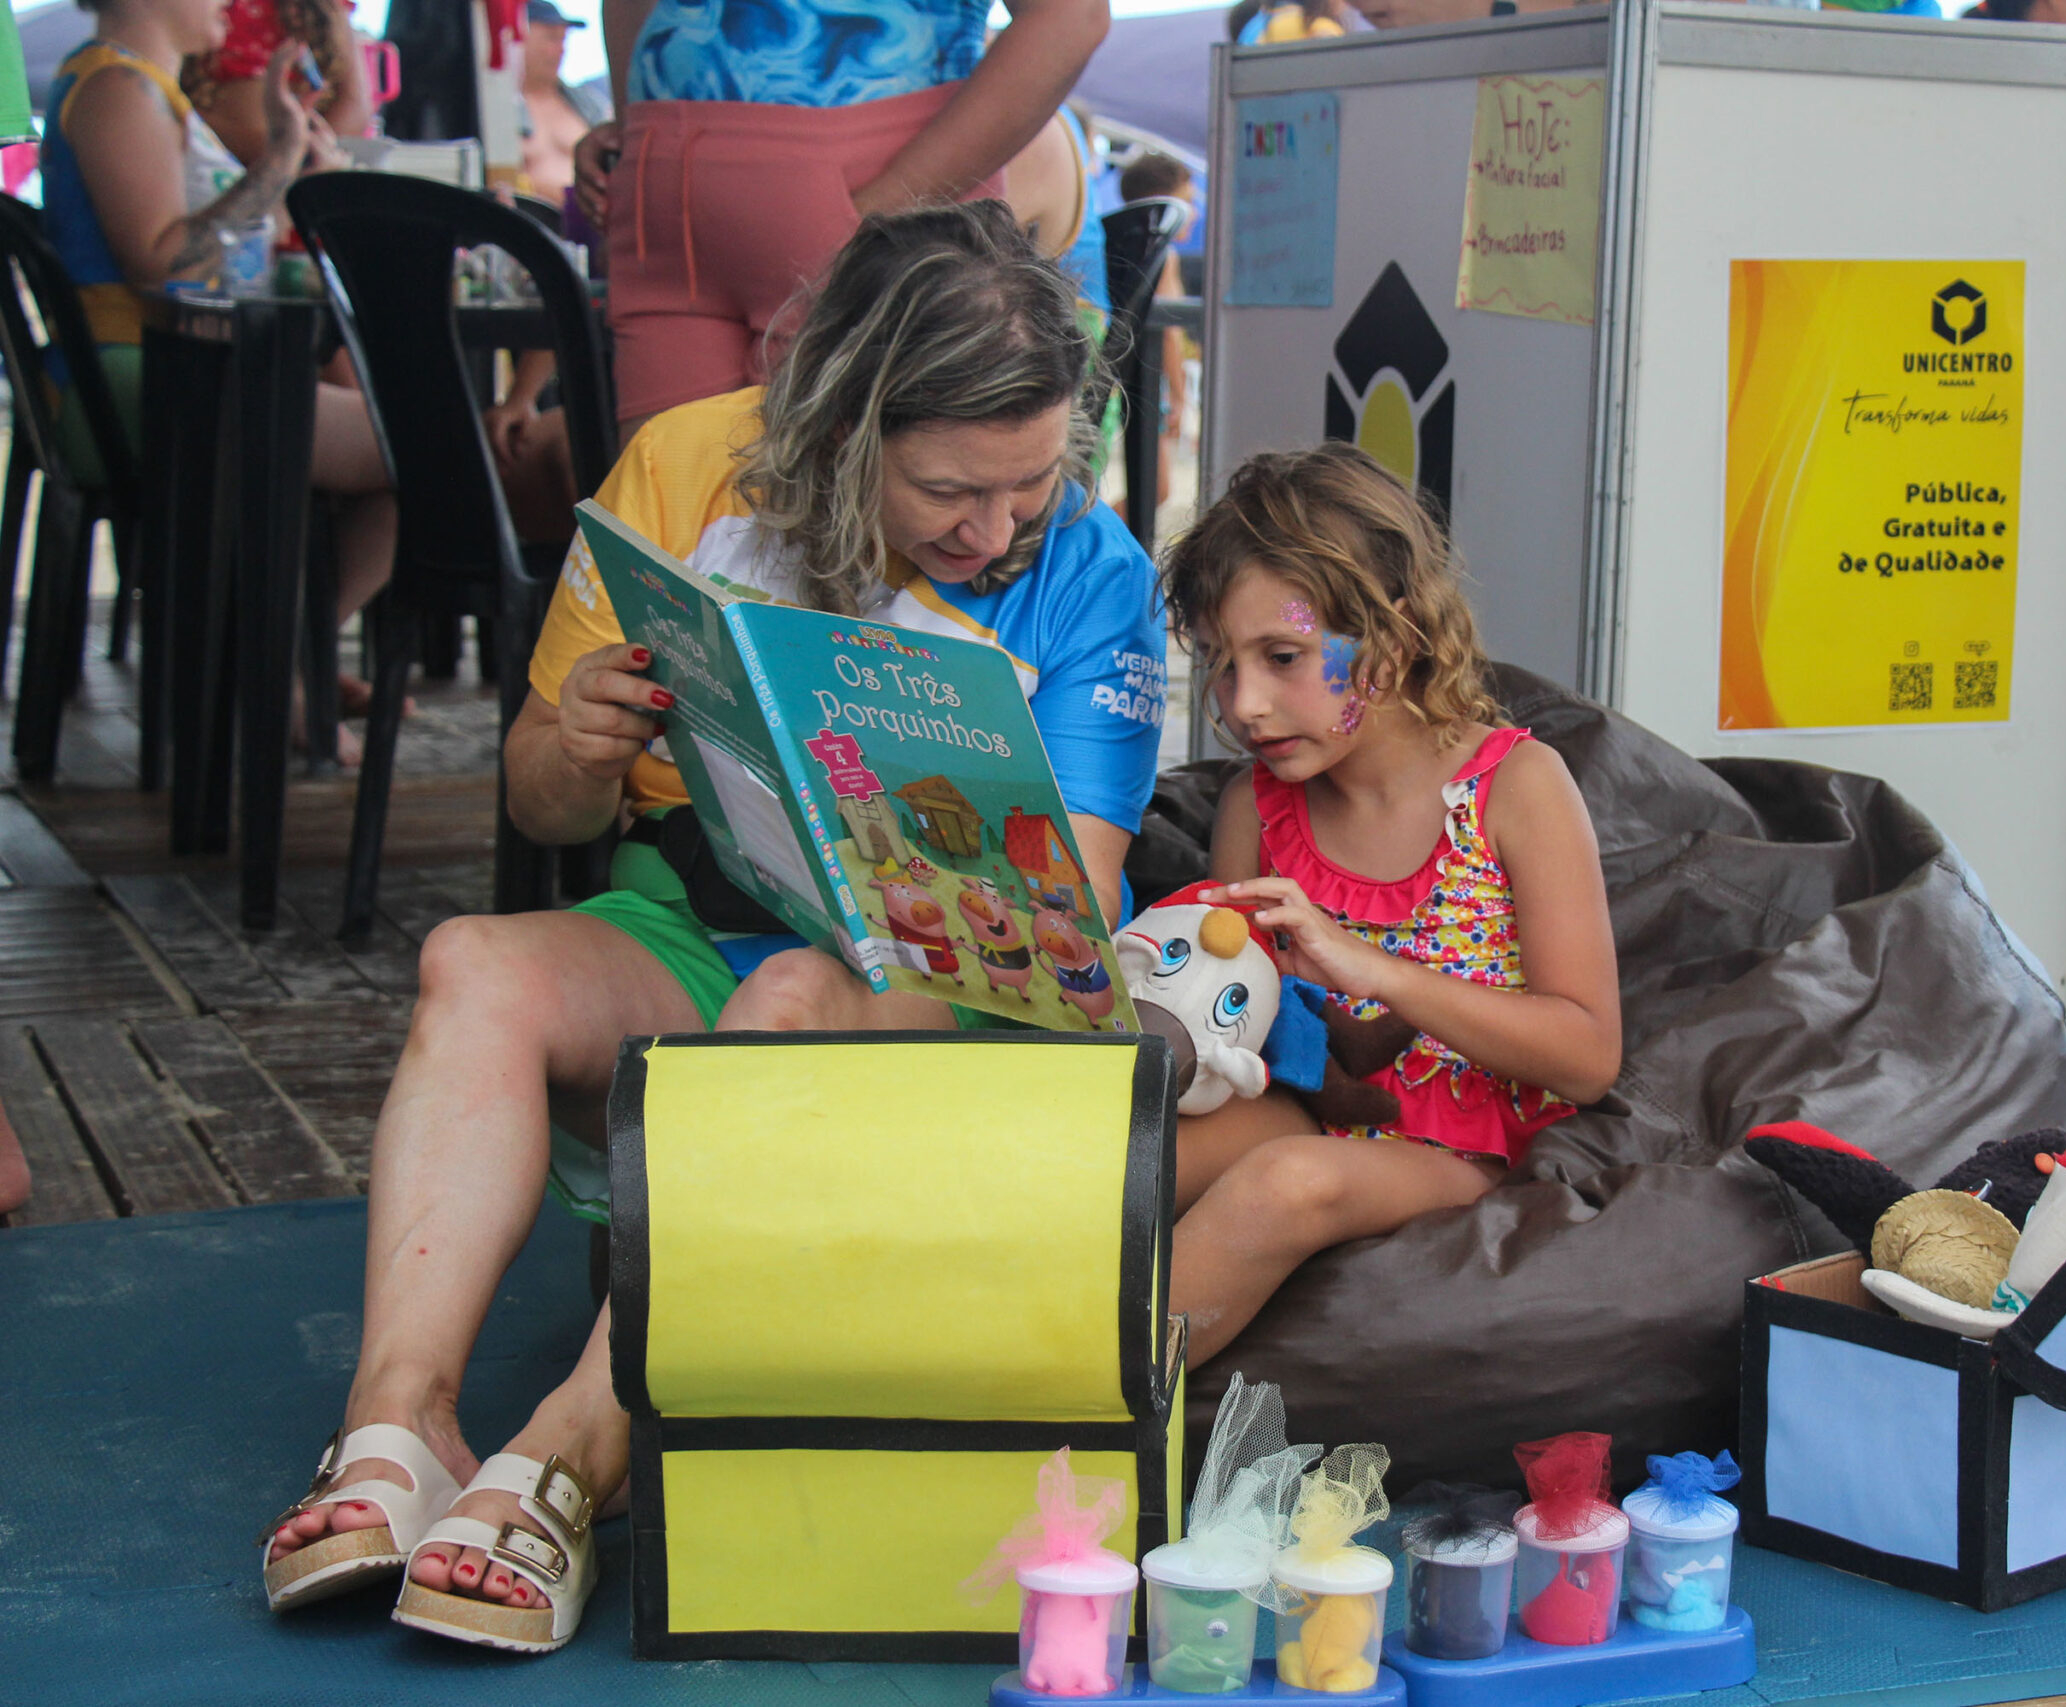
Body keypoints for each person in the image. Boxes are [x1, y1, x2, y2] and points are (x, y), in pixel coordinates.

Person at [257, 202, 1166, 1656]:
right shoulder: (688, 468)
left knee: (789, 998)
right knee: (472, 964)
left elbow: (1061, 917)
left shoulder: (1095, 577)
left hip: (934, 994)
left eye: (1033, 483)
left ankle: (572, 1452)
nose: (995, 533)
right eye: (949, 490)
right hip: (692, 912)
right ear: (841, 428)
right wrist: (583, 741)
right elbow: (544, 804)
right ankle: (397, 1419)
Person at [1155, 444, 1621, 1364]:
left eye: (1282, 656)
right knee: (1128, 1154)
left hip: (1464, 1148)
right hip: (1311, 1104)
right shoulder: (1257, 806)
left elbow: (1588, 1056)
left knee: (1287, 1180)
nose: (1244, 704)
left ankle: (1075, 1415)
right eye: (1220, 663)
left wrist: (1377, 971)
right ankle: (968, 1353)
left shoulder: (1517, 788)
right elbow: (1244, 1022)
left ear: (1394, 636)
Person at [46, 0, 395, 761]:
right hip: (140, 380)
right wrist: (279, 158)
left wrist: (291, 160)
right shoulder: (116, 88)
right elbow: (160, 262)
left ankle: (279, 657)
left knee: (407, 440)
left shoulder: (144, 87)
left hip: (175, 371)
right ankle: (276, 662)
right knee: (422, 447)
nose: (229, 6)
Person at [570, 0, 1109, 436]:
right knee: (660, 511)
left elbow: (1074, 14)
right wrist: (634, 124)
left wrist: (885, 208)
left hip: (872, 207)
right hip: (671, 207)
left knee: (859, 510)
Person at [180, 0, 371, 166]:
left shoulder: (326, 8)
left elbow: (354, 103)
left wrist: (311, 160)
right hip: (209, 165)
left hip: (306, 169)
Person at [1116, 151, 1197, 515]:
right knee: (1155, 490)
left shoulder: (1124, 245)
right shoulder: (1162, 255)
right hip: (1150, 384)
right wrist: (1180, 396)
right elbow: (1168, 334)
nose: (1194, 213)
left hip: (1129, 380)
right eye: (1188, 201)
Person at [516, 0, 604, 210]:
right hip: (526, 219)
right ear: (520, 38)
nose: (560, 50)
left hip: (586, 221)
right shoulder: (497, 110)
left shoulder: (589, 106)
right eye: (551, 38)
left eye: (563, 39)